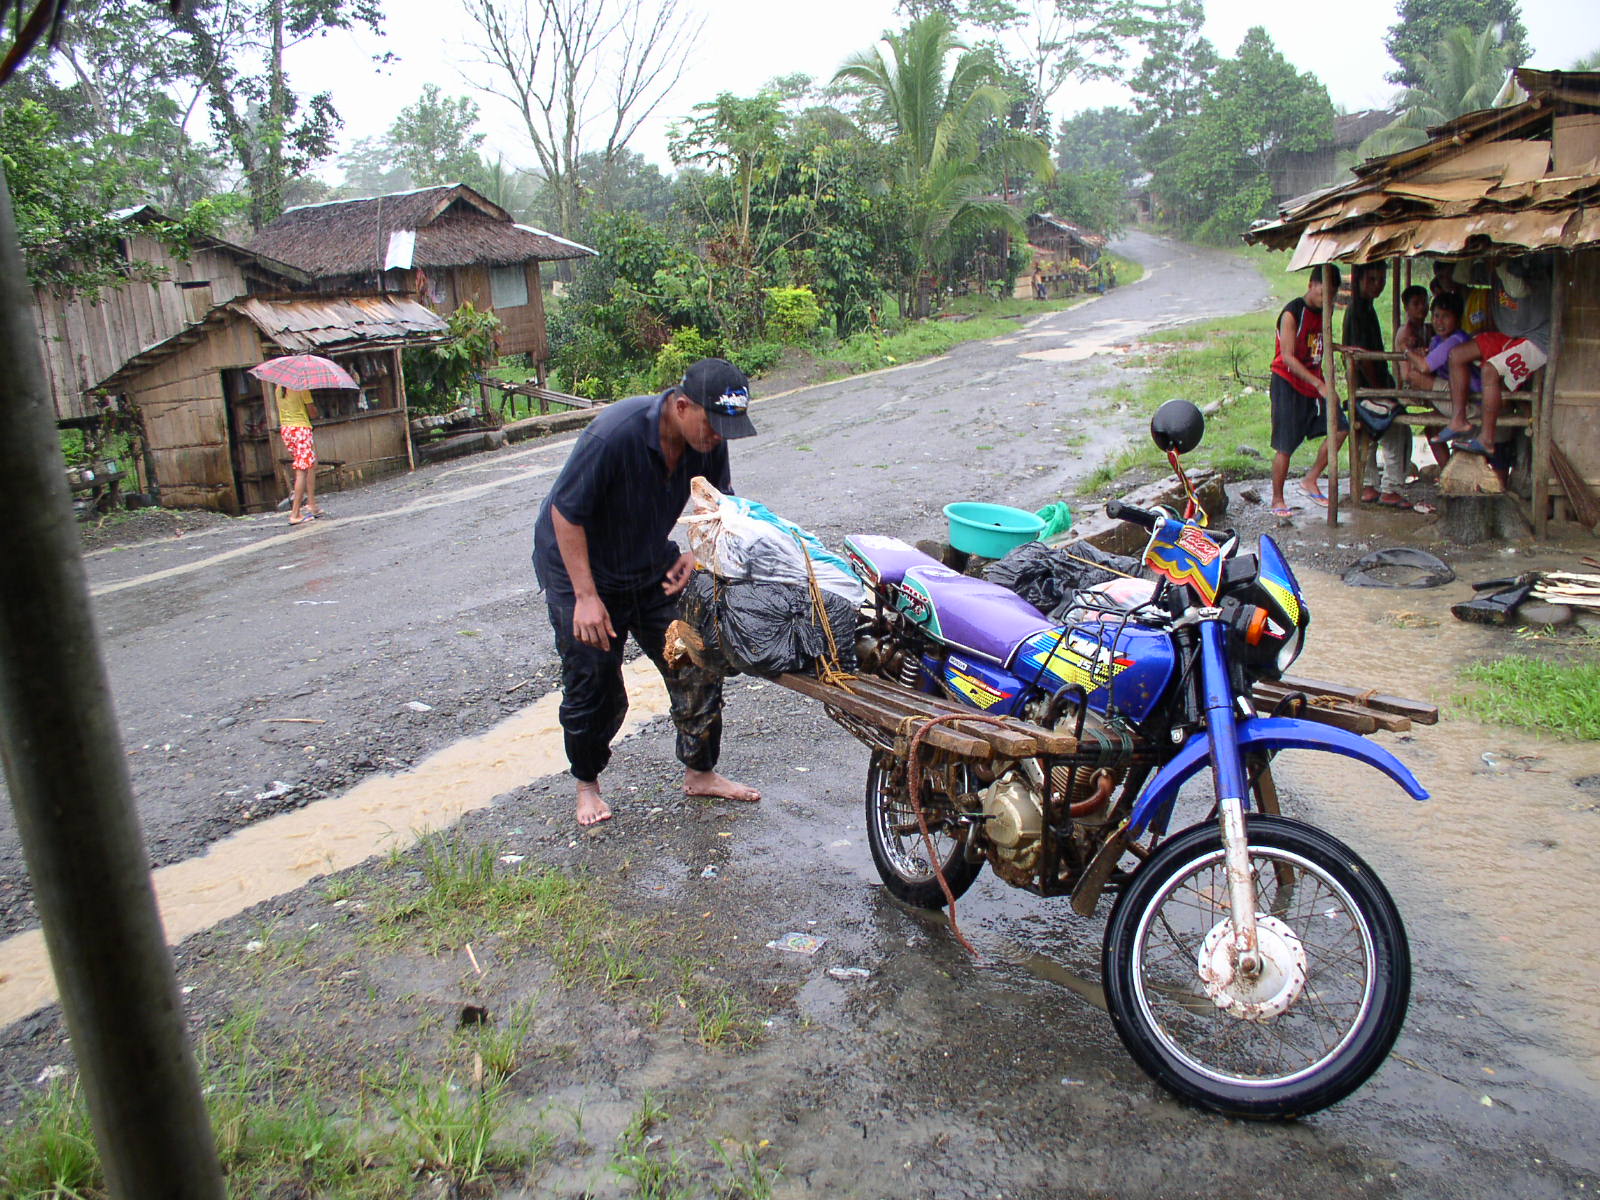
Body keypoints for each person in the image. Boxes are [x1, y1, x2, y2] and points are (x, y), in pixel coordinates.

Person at [532, 357, 763, 827]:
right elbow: (565, 514)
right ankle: (586, 786)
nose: (718, 437)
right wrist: (586, 598)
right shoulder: (615, 434)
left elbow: (716, 506)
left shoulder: (707, 440)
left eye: (726, 428)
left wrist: (695, 557)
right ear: (681, 406)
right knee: (595, 683)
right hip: (580, 569)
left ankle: (700, 773)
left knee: (695, 658)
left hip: (646, 561)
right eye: (713, 424)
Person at [1435, 252, 1553, 457]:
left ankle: (1487, 439)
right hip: (1510, 335)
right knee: (1457, 355)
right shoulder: (1492, 266)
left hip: (1538, 340)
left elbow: (1517, 289)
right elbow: (1461, 276)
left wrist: (1499, 263)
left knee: (1490, 371)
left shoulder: (1528, 264)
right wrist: (1470, 251)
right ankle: (1458, 419)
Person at [1268, 266, 1344, 516]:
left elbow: (1325, 343)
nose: (1327, 297)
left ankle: (1310, 479)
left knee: (1341, 427)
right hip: (1288, 382)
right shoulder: (1292, 313)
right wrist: (1319, 384)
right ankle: (1277, 499)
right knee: (1285, 444)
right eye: (1323, 290)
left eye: (1332, 293)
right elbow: (1288, 357)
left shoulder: (1327, 310)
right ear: (1311, 284)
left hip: (1314, 381)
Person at [1341, 264, 1411, 508]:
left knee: (1370, 435)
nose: (1378, 285)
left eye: (1382, 279)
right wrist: (1381, 390)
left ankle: (1370, 484)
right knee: (1397, 427)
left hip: (1363, 390)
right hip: (1366, 391)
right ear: (1359, 279)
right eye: (1373, 279)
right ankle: (1391, 487)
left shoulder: (1364, 308)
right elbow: (1363, 358)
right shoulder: (1358, 311)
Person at [276, 385, 321, 526]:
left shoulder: (278, 389)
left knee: (310, 464)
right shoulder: (301, 388)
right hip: (300, 429)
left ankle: (312, 504)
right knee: (302, 470)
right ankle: (295, 513)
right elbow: (312, 413)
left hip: (287, 430)